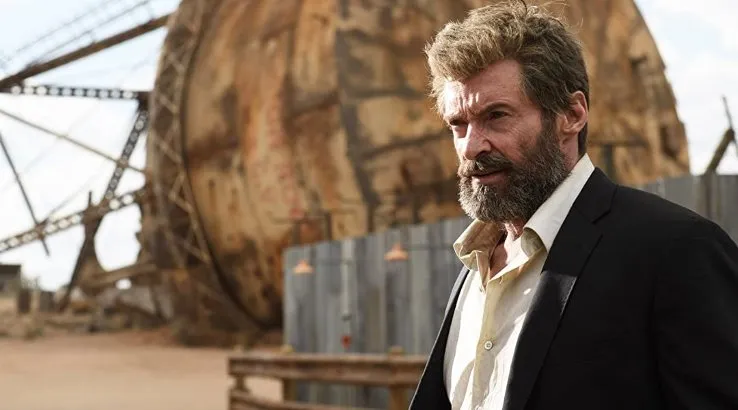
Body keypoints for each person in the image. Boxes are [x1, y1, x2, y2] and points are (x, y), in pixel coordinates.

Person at [409, 2, 738, 410]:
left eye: (496, 116)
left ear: (571, 114)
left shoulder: (677, 251)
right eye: (458, 125)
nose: (471, 146)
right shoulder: (475, 264)